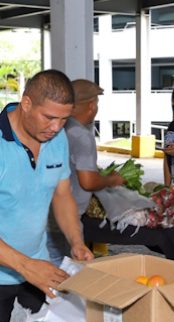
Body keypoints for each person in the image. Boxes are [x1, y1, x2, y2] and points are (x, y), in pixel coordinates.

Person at [0, 69, 93, 322]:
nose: (56, 128)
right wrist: (25, 266)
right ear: (26, 103)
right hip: (11, 273)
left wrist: (76, 240)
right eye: (49, 117)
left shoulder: (57, 138)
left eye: (64, 120)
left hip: (39, 270)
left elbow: (62, 194)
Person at [46, 79, 126, 266]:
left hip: (45, 215)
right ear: (91, 106)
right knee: (62, 278)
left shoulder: (55, 129)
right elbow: (88, 182)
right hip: (65, 220)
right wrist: (110, 180)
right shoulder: (81, 135)